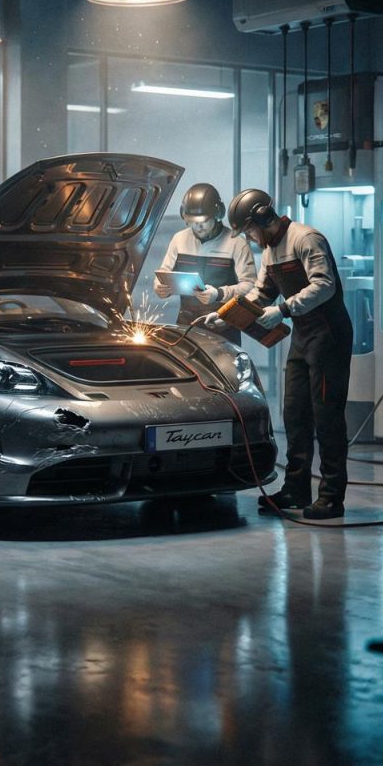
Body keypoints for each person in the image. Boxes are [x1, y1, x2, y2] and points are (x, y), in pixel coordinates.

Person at [207, 188, 353, 520]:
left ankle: (331, 497)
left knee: (327, 416)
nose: (249, 238)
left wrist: (284, 309)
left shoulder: (307, 239)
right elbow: (261, 293)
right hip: (303, 336)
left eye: (248, 231)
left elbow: (324, 285)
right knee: (295, 413)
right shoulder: (270, 251)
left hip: (328, 336)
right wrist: (223, 314)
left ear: (262, 218)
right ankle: (296, 489)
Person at [154, 182, 257, 344]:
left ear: (217, 214)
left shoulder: (237, 243)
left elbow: (250, 286)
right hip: (186, 325)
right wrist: (160, 287)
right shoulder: (179, 239)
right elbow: (164, 271)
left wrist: (219, 294)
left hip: (223, 323)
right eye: (192, 221)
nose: (198, 226)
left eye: (203, 220)